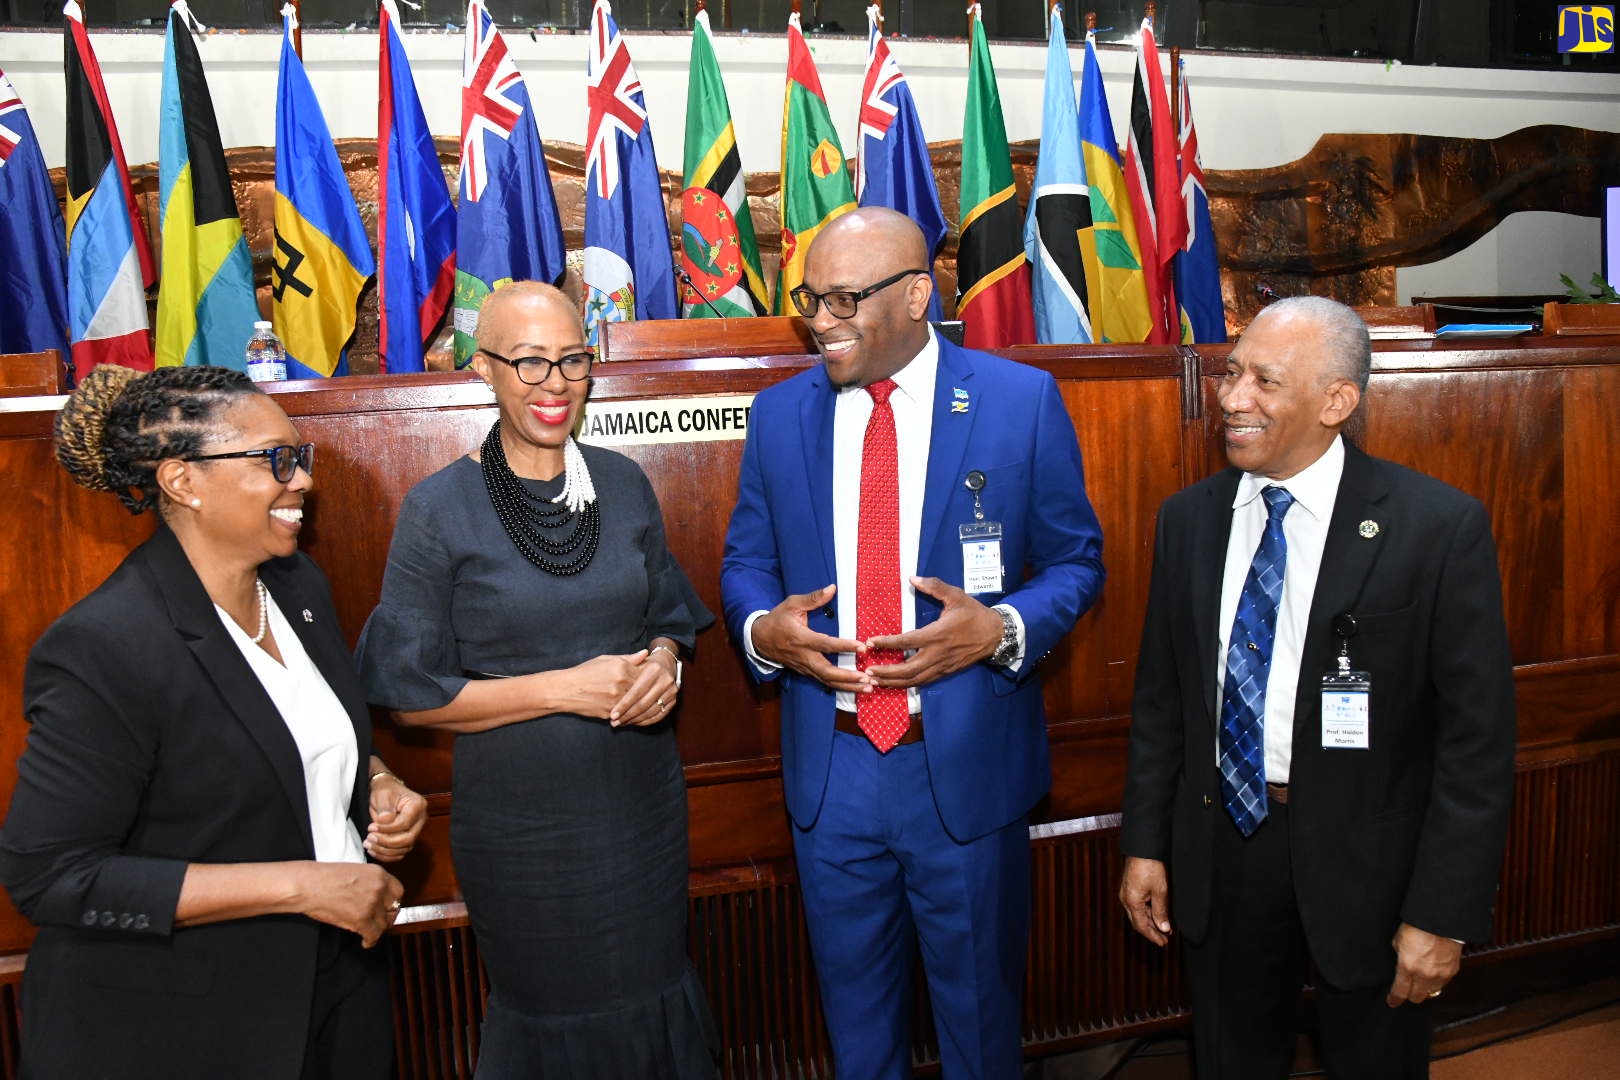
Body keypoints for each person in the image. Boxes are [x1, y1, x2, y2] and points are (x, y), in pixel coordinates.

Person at [720, 207, 1105, 1078]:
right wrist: (763, 631)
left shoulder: (1018, 401)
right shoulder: (780, 416)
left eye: (845, 299)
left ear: (917, 296)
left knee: (979, 1030)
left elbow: (1078, 562)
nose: (821, 319)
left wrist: (999, 629)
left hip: (963, 767)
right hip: (834, 770)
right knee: (858, 1037)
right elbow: (746, 561)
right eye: (810, 298)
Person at [1119, 296, 1517, 1079]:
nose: (1232, 399)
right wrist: (1146, 844)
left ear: (1337, 401)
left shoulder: (1436, 527)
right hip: (1224, 847)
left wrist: (1441, 912)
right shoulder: (1187, 521)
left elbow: (1476, 744)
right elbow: (1162, 702)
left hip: (1373, 862)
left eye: (1264, 381)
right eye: (1232, 373)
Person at [0, 364, 427, 1079]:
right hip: (180, 1025)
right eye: (276, 461)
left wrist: (379, 781)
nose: (303, 482)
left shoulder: (297, 586)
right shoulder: (106, 644)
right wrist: (305, 885)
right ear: (183, 482)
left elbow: (300, 740)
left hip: (338, 989)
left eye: (301, 458)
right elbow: (52, 876)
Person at [357, 281, 719, 1078]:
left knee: (656, 992)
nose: (554, 383)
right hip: (523, 832)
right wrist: (565, 688)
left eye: (572, 360)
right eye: (528, 363)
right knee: (555, 1019)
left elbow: (669, 614)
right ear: (482, 369)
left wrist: (664, 661)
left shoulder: (623, 484)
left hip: (642, 812)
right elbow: (414, 701)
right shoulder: (437, 509)